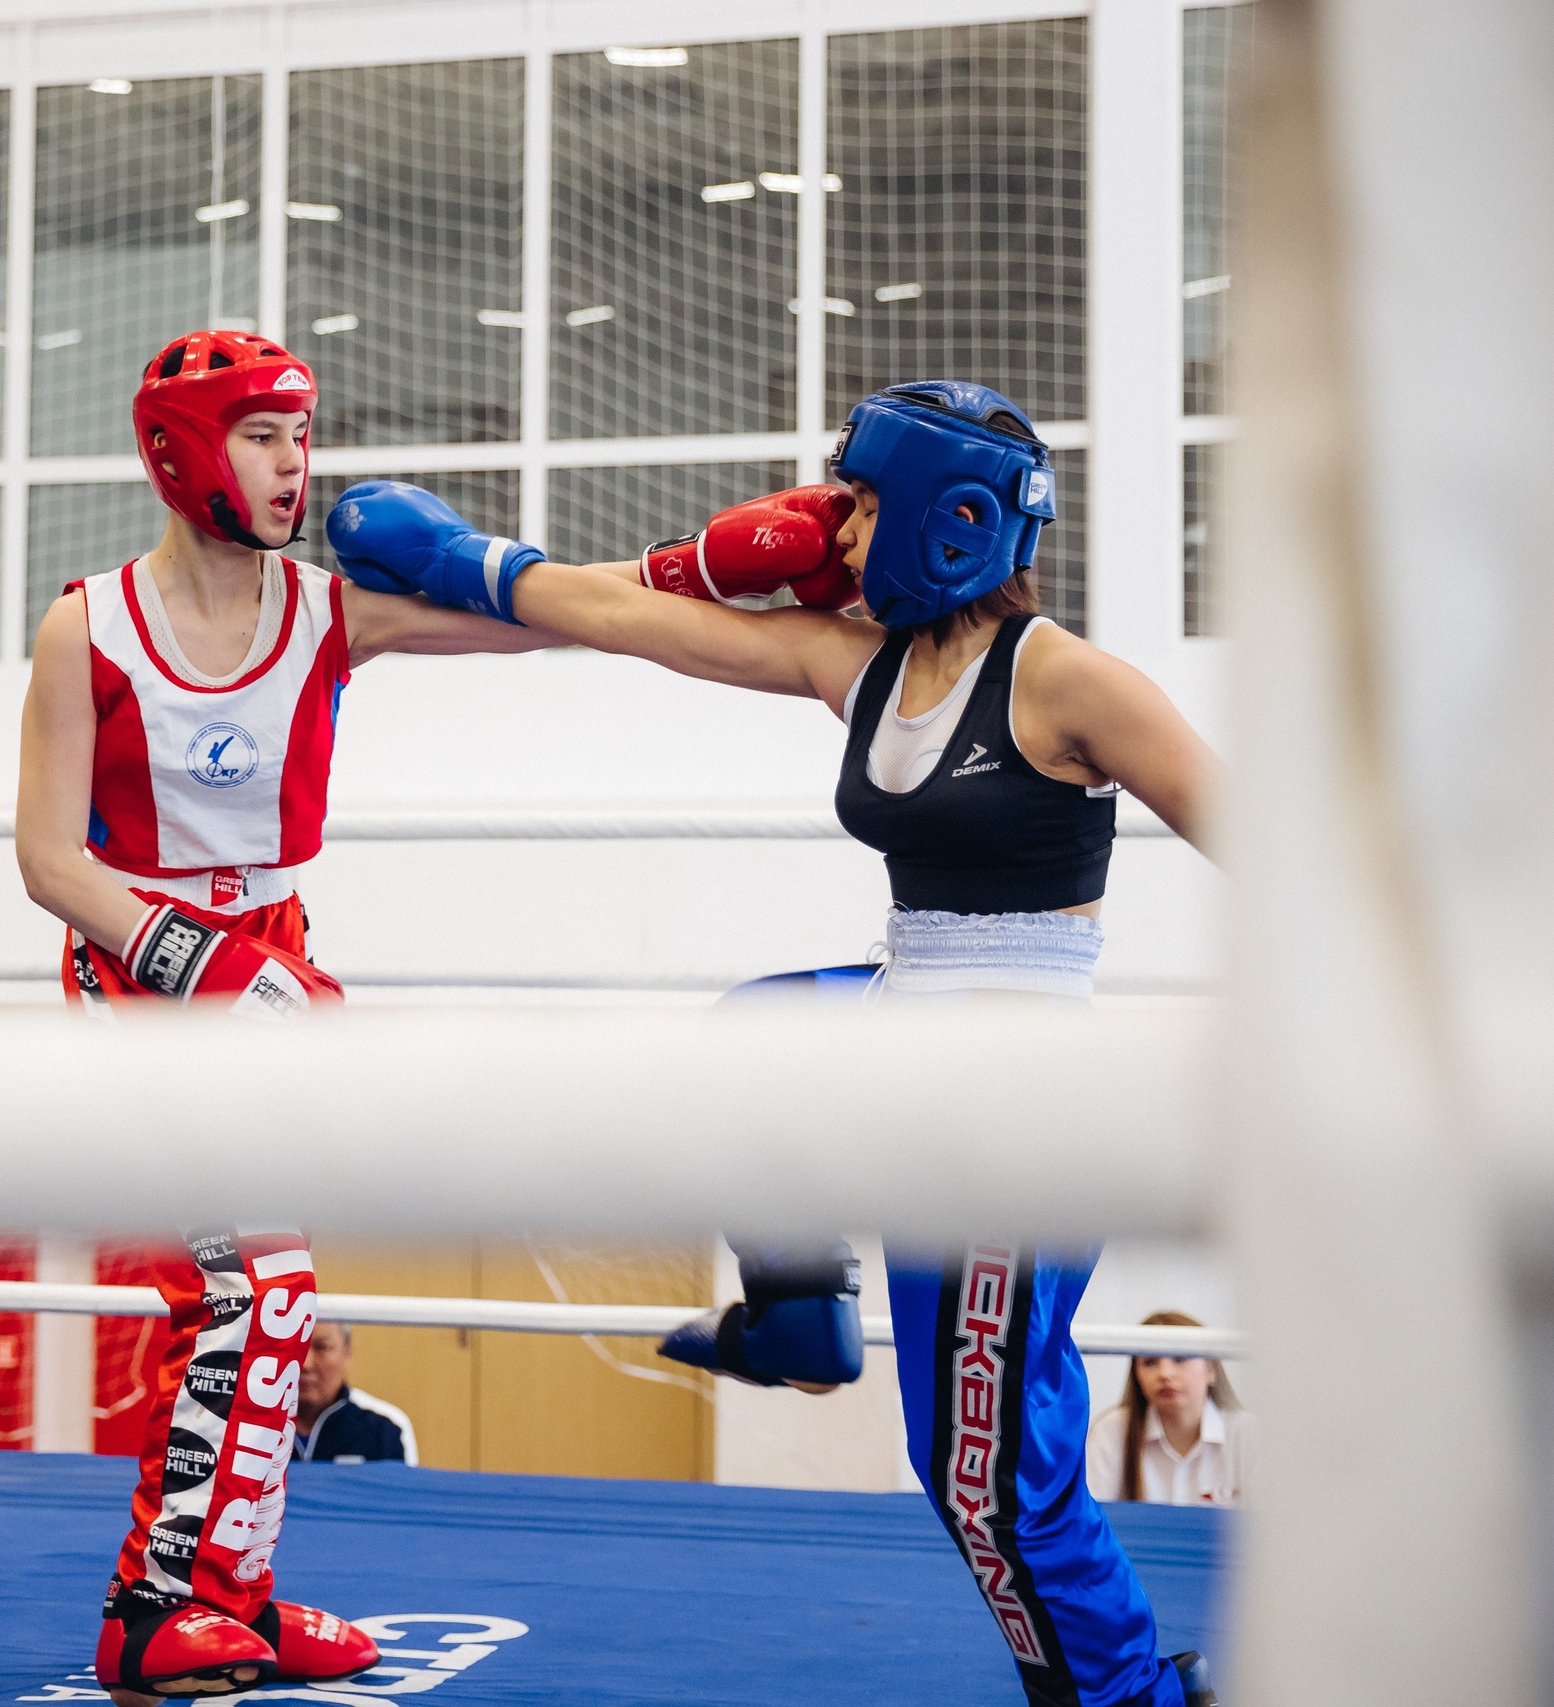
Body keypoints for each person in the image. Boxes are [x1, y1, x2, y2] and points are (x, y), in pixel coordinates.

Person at [322, 380, 1225, 1707]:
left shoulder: (1067, 677)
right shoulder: (862, 663)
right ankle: (800, 1317)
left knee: (979, 1477)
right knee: (757, 1032)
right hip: (902, 1014)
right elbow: (637, 623)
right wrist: (465, 566)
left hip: (1018, 1100)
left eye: (860, 501)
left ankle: (1124, 1688)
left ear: (947, 517)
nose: (831, 523)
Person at [13, 330, 549, 1705]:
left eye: (302, 433)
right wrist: (204, 958)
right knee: (249, 1288)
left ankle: (227, 1592)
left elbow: (559, 612)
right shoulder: (89, 624)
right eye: (263, 433)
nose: (294, 460)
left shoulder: (326, 611)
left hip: (276, 956)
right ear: (185, 447)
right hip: (139, 972)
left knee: (265, 1294)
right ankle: (149, 1606)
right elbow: (47, 860)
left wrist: (727, 573)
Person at [1086, 1312, 1252, 1508]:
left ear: (1211, 1370)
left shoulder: (1246, 1432)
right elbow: (1088, 1525)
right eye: (1150, 1362)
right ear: (1136, 1376)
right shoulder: (1112, 1430)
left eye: (1180, 1359)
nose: (1164, 1373)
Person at [291, 1324, 416, 1465]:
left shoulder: (385, 1429)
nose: (305, 1364)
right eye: (295, 1347)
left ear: (347, 1354)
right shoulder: (261, 1426)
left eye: (322, 1347)